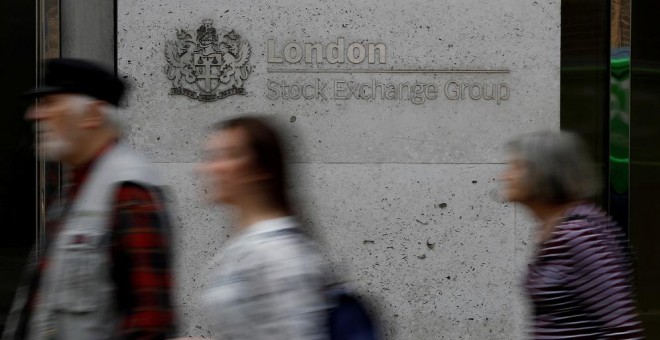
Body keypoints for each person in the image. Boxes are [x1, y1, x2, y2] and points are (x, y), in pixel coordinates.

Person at [2, 59, 176, 340]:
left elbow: (150, 322)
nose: (34, 115)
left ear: (92, 115)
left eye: (50, 103)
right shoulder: (73, 193)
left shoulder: (129, 193)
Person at [500, 131, 644, 339]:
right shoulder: (554, 230)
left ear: (544, 172)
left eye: (517, 166)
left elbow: (623, 329)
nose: (505, 175)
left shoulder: (579, 235)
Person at [197, 116, 329, 340]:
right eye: (211, 157)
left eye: (230, 155)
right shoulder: (249, 244)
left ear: (261, 170)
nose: (210, 167)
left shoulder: (280, 252)